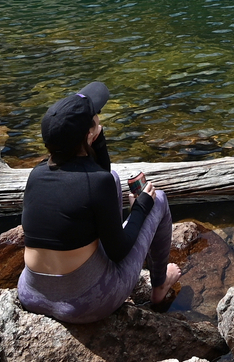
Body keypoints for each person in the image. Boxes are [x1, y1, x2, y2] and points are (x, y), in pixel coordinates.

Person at [15, 80, 181, 323]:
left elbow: (101, 175)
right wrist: (140, 208)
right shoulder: (95, 183)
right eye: (95, 118)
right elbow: (118, 252)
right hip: (83, 304)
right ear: (89, 134)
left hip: (31, 294)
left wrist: (95, 139)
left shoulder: (37, 174)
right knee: (159, 200)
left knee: (112, 178)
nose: (98, 118)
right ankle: (159, 286)